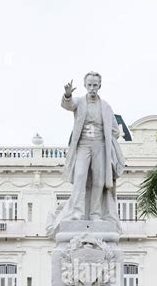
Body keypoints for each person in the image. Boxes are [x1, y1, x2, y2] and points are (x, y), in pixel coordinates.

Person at [47, 72, 125, 232]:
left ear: (99, 86)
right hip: (83, 145)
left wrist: (107, 135)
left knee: (98, 180)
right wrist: (67, 94)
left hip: (100, 146)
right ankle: (77, 212)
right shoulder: (80, 102)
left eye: (95, 85)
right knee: (80, 177)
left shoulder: (106, 107)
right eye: (89, 85)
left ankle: (96, 213)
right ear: (85, 85)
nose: (92, 88)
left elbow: (115, 131)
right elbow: (67, 105)